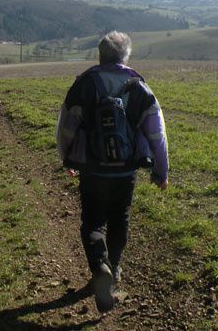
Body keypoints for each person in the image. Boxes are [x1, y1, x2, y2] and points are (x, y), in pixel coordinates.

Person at [56, 31, 169, 313]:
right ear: (126, 56)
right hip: (126, 170)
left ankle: (99, 264)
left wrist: (67, 158)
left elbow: (66, 127)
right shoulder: (139, 87)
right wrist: (161, 171)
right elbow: (157, 134)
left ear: (100, 54)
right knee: (120, 218)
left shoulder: (85, 84)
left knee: (92, 223)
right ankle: (114, 269)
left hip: (93, 169)